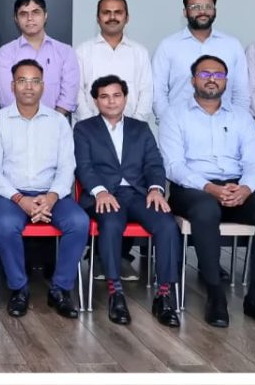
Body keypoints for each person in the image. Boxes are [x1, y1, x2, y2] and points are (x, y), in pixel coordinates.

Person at [159, 55, 255, 330]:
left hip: (238, 186)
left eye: (218, 75)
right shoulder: (175, 115)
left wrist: (246, 188)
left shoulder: (241, 116)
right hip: (193, 188)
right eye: (205, 74)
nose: (212, 79)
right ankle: (215, 294)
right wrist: (209, 187)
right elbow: (173, 165)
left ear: (226, 81)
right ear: (193, 80)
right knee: (205, 209)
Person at [73, 75, 181, 327]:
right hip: (103, 196)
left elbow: (154, 164)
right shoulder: (84, 129)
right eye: (104, 96)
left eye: (116, 95)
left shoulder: (140, 128)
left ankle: (164, 295)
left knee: (167, 225)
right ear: (95, 101)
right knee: (111, 224)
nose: (111, 101)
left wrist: (155, 189)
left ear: (125, 98)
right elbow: (84, 167)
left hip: (139, 194)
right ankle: (116, 293)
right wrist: (100, 191)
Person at [0, 60, 86, 319]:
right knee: (7, 225)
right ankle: (19, 288)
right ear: (12, 86)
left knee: (79, 222)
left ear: (43, 86)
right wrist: (20, 199)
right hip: (10, 194)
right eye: (22, 81)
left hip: (50, 192)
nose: (28, 87)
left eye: (34, 81)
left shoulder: (58, 122)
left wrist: (51, 197)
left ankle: (60, 289)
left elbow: (67, 167)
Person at [153, 0, 250, 125]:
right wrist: (168, 123)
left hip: (225, 126)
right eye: (195, 7)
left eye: (208, 7)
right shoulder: (168, 46)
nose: (202, 11)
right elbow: (158, 92)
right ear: (185, 12)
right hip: (180, 125)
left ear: (215, 11)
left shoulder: (232, 45)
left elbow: (241, 92)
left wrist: (238, 123)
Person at [0, 0, 79, 118]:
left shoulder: (65, 52)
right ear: (16, 19)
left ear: (45, 15)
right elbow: (7, 97)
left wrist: (51, 121)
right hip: (16, 123)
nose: (30, 18)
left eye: (36, 12)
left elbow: (69, 95)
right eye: (23, 14)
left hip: (55, 123)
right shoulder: (5, 53)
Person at [75, 0, 154, 128]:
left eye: (118, 12)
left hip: (132, 131)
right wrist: (91, 125)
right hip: (92, 130)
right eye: (106, 12)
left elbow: (146, 92)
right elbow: (77, 92)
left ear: (127, 18)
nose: (112, 17)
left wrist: (135, 126)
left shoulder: (140, 52)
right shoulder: (82, 51)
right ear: (98, 18)